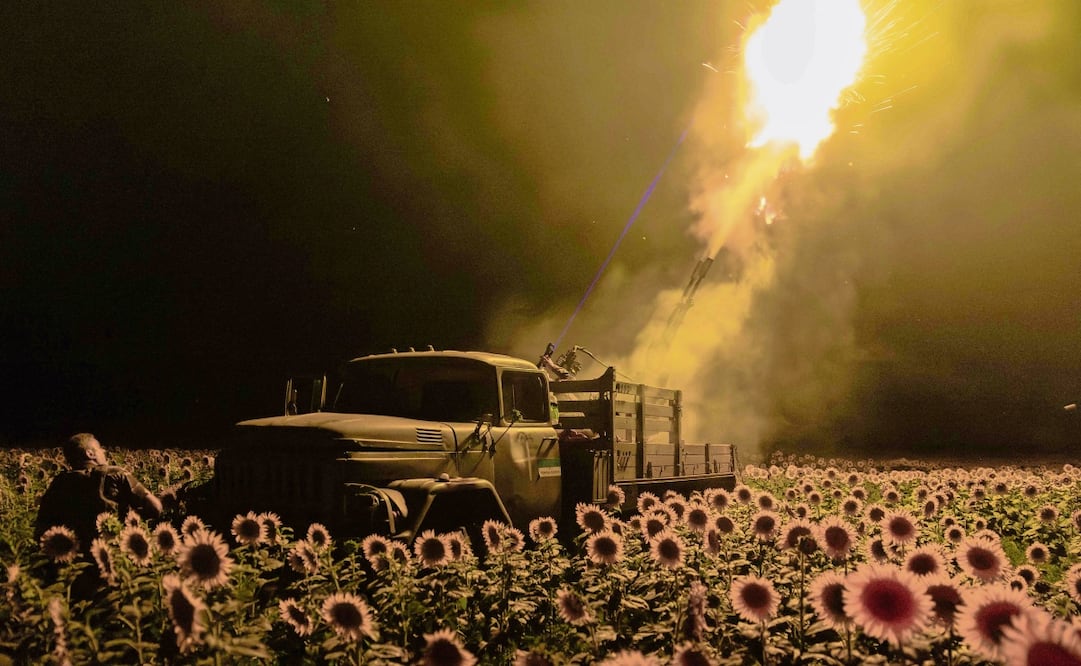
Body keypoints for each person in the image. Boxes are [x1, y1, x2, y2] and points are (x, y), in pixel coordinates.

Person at [34, 433, 163, 549]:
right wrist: (130, 519)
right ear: (90, 453)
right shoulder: (114, 473)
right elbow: (155, 507)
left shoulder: (58, 483)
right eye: (100, 448)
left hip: (73, 557)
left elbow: (41, 528)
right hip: (113, 551)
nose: (104, 451)